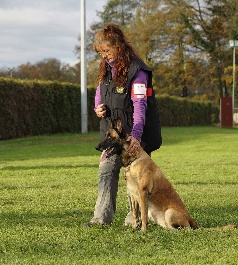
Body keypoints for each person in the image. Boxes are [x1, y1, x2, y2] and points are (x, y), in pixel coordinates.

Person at [85, 23, 162, 227]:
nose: (104, 56)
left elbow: (140, 105)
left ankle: (134, 219)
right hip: (114, 134)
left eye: (107, 51)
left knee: (137, 179)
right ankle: (101, 218)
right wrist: (97, 108)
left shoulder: (137, 71)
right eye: (101, 52)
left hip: (135, 133)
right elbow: (99, 92)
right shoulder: (106, 69)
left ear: (119, 46)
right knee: (107, 170)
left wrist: (136, 136)